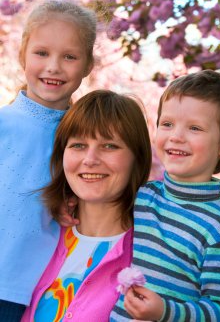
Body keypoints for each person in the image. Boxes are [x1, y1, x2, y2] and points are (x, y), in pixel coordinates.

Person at [111, 70, 220, 322]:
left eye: (194, 128)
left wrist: (166, 311)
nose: (176, 136)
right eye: (167, 124)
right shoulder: (142, 197)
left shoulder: (219, 229)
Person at [0, 0, 97, 321]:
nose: (54, 66)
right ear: (22, 55)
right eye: (42, 53)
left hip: (42, 290)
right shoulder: (3, 124)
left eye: (69, 57)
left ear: (87, 65)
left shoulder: (84, 138)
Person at [21, 89, 152, 322]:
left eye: (110, 146)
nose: (90, 160)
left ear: (138, 158)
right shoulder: (37, 231)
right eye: (78, 145)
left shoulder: (152, 254)